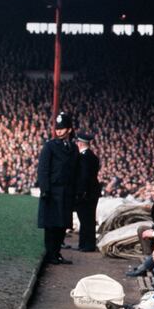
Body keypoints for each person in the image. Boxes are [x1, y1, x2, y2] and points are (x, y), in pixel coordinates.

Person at [36, 111, 79, 265]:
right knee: (51, 225)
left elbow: (76, 171)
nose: (59, 131)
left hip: (67, 192)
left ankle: (57, 253)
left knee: (62, 225)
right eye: (57, 128)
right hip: (53, 191)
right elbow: (43, 169)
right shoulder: (50, 146)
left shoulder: (73, 148)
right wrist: (45, 189)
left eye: (62, 128)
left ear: (69, 129)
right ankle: (51, 254)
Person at [75, 132, 101, 252]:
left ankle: (87, 245)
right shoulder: (92, 156)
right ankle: (85, 243)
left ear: (79, 143)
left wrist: (81, 192)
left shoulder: (84, 157)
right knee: (87, 219)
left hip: (86, 193)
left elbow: (84, 177)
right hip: (91, 192)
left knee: (86, 219)